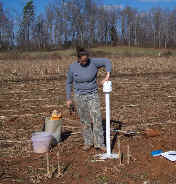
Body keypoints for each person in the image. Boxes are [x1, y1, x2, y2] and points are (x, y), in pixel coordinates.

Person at [66, 47, 112, 151]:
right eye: (82, 61)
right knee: (84, 120)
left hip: (92, 94)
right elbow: (68, 83)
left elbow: (107, 61)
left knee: (97, 118)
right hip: (79, 96)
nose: (85, 62)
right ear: (78, 59)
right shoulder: (73, 67)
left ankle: (100, 143)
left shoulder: (93, 62)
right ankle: (88, 142)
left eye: (86, 60)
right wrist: (68, 98)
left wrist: (107, 75)